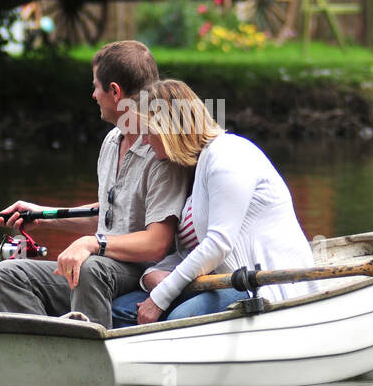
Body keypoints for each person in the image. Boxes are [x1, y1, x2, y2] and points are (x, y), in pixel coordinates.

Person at [0, 41, 190, 327]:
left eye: (96, 87)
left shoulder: (161, 152)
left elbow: (157, 244)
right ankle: (44, 353)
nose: (93, 95)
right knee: (5, 275)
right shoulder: (111, 141)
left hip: (140, 270)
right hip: (103, 263)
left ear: (115, 92)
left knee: (90, 267)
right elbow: (108, 214)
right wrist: (42, 217)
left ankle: (86, 357)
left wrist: (92, 245)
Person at [111, 79, 319, 326]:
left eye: (147, 131)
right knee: (120, 309)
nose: (144, 141)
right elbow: (188, 251)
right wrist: (150, 276)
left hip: (263, 284)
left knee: (180, 319)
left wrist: (160, 298)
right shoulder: (194, 167)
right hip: (223, 281)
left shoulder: (228, 156)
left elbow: (218, 244)